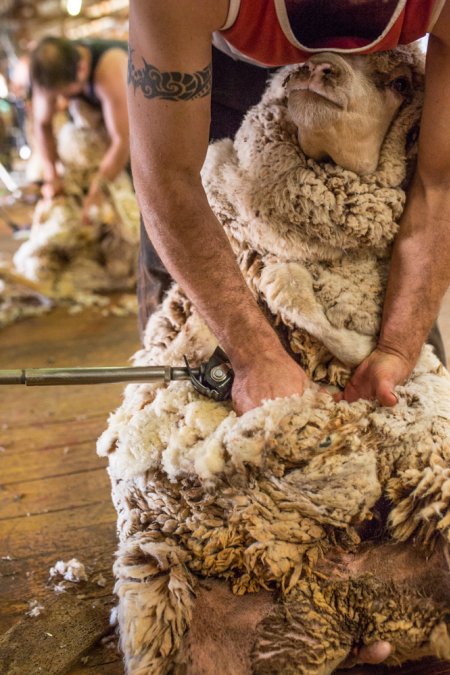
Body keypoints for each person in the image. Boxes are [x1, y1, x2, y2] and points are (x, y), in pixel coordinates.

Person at [128, 1, 450, 666]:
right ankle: (243, 607)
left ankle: (366, 588)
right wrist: (251, 354)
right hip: (226, 109)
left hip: (374, 115)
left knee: (412, 420)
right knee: (187, 415)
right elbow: (167, 176)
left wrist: (396, 346)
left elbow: (439, 183)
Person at [30, 36, 129, 219]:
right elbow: (43, 124)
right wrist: (52, 173)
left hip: (135, 126)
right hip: (104, 132)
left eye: (66, 93)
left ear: (82, 69)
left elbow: (123, 141)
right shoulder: (49, 75)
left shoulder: (110, 68)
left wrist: (98, 192)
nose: (64, 101)